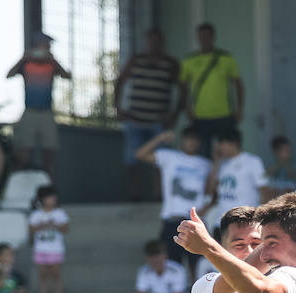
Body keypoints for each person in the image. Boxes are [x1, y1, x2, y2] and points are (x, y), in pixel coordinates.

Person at [115, 27, 180, 201]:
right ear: (146, 42)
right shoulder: (136, 60)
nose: (154, 44)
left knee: (160, 160)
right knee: (131, 159)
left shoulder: (170, 63)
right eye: (151, 41)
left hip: (159, 120)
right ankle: (134, 194)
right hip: (135, 119)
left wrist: (175, 115)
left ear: (162, 43)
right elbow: (120, 81)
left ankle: (158, 194)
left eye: (157, 41)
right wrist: (117, 108)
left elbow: (183, 89)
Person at [136, 128, 211, 270]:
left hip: (196, 221)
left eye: (195, 139)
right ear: (183, 140)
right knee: (171, 266)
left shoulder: (206, 164)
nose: (192, 142)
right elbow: (140, 155)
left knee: (198, 266)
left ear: (199, 143)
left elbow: (212, 190)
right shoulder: (169, 157)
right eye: (189, 138)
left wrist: (207, 207)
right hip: (172, 220)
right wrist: (160, 138)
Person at [7, 32, 71, 177]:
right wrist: (23, 58)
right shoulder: (26, 64)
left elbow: (67, 76)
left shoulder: (51, 65)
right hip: (29, 112)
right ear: (37, 45)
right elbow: (9, 75)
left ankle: (49, 189)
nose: (48, 47)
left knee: (49, 154)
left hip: (47, 113)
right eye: (46, 44)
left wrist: (54, 61)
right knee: (24, 152)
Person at [177, 23, 244, 157]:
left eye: (207, 36)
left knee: (227, 152)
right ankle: (208, 178)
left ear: (213, 37)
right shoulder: (189, 60)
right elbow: (182, 88)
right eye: (201, 36)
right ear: (198, 38)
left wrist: (239, 109)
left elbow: (239, 85)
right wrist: (186, 109)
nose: (204, 39)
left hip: (224, 115)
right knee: (202, 154)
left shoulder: (226, 58)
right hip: (200, 116)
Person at [207, 127, 268, 215]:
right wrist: (216, 163)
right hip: (221, 220)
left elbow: (264, 190)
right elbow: (211, 191)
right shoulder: (221, 163)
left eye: (221, 144)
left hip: (244, 220)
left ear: (233, 143)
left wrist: (259, 216)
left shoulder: (253, 161)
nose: (219, 148)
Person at [28, 184, 69, 293]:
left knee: (56, 274)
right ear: (42, 199)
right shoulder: (36, 214)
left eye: (53, 197)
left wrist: (55, 225)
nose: (52, 200)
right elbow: (31, 229)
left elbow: (66, 229)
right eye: (49, 197)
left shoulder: (60, 213)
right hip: (41, 249)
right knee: (43, 275)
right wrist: (42, 225)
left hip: (56, 249)